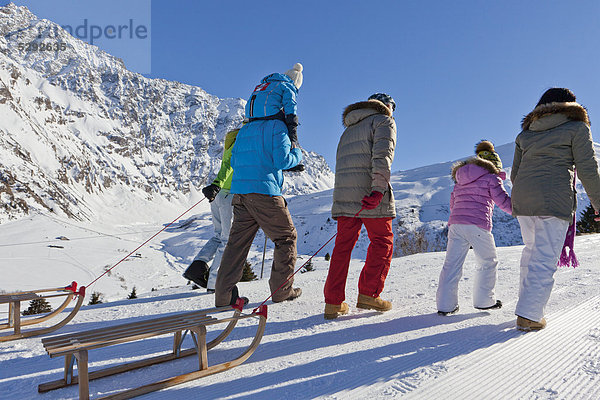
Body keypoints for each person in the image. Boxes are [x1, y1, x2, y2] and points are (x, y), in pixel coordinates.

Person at [214, 63, 304, 307]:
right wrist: (299, 157)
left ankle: (223, 296)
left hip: (240, 194)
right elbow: (283, 160)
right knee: (286, 238)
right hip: (265, 193)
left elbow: (233, 159)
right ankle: (281, 290)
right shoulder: (277, 127)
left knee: (236, 245)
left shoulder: (246, 128)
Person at [511, 88, 600, 331]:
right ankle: (529, 314)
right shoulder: (577, 128)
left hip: (523, 199)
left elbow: (514, 174)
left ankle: (525, 306)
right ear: (571, 106)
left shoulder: (525, 134)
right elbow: (588, 170)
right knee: (544, 256)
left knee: (531, 251)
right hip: (553, 198)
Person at [323, 93, 397, 319]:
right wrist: (378, 190)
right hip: (369, 194)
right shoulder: (384, 121)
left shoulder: (348, 129)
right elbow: (383, 156)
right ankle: (369, 294)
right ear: (386, 106)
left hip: (345, 196)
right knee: (382, 241)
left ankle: (333, 303)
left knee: (342, 247)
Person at [436, 140, 512, 316]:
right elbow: (504, 203)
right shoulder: (491, 178)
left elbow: (453, 204)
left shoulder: (460, 179)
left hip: (455, 224)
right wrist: (520, 208)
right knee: (487, 261)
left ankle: (445, 305)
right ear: (493, 166)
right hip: (477, 224)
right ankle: (484, 301)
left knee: (451, 264)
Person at [183, 128, 240, 293]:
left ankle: (198, 267)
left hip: (219, 194)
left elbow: (226, 163)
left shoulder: (233, 138)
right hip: (230, 194)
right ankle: (214, 283)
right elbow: (231, 164)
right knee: (228, 241)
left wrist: (217, 185)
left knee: (219, 236)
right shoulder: (246, 140)